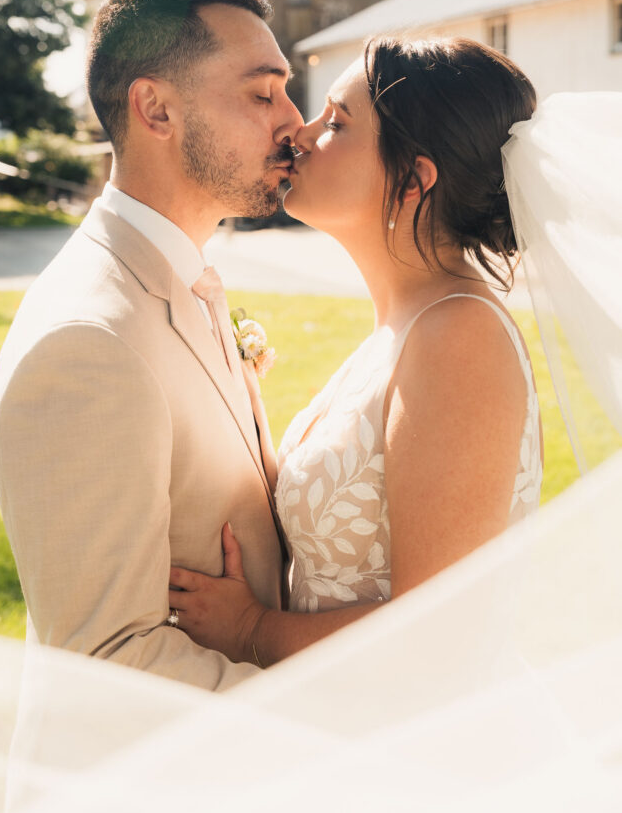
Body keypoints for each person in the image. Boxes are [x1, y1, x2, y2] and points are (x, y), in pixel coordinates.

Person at [168, 35, 544, 667]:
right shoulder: (406, 327)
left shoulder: (459, 339)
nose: (299, 133)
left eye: (336, 123)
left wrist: (253, 631)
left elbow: (440, 632)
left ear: (412, 181)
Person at [0, 0, 302, 690]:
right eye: (262, 94)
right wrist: (323, 729)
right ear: (155, 109)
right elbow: (107, 663)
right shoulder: (87, 342)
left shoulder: (182, 280)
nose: (293, 121)